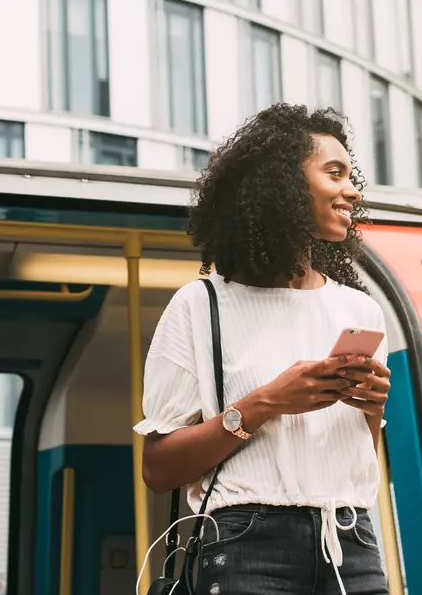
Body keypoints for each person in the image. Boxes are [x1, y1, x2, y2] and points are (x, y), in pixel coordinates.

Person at [135, 104, 393, 595]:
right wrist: (266, 402)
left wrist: (372, 412)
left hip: (352, 542)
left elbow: (358, 461)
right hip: (248, 548)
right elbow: (158, 468)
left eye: (350, 174)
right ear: (283, 186)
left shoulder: (360, 311)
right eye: (333, 172)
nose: (353, 190)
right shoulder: (200, 306)